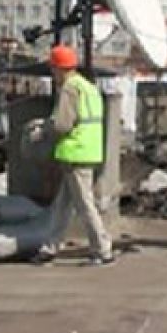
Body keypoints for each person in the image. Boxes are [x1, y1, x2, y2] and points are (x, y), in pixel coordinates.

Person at [30, 44, 114, 266]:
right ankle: (50, 247)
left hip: (76, 152)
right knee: (63, 205)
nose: (53, 75)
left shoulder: (69, 88)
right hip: (89, 151)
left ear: (58, 68)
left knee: (84, 204)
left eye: (53, 70)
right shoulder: (88, 87)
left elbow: (63, 124)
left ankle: (102, 248)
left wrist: (43, 131)